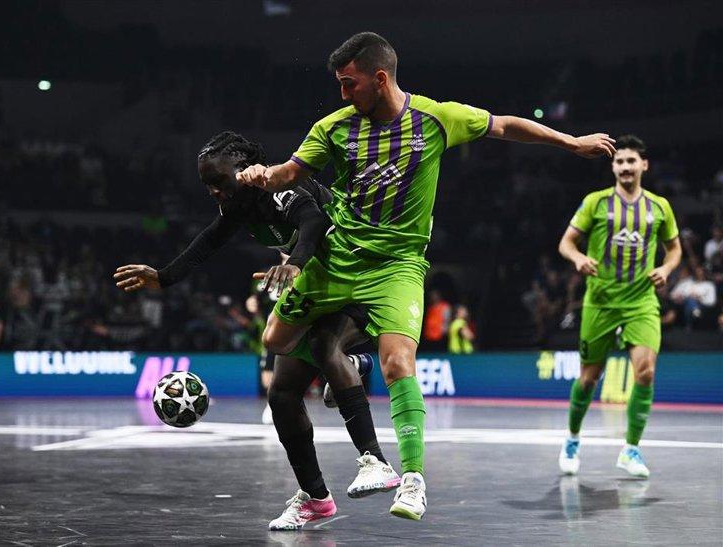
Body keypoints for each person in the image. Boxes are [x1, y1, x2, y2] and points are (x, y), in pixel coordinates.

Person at [237, 31, 615, 520]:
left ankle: (411, 480)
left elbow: (505, 126)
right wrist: (262, 174)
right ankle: (352, 363)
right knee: (276, 338)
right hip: (338, 257)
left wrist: (570, 141)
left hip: (398, 267)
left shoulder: (437, 118)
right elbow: (291, 172)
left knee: (399, 363)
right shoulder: (334, 127)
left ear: (380, 78)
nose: (343, 94)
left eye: (350, 84)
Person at [113, 131, 398, 531]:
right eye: (206, 185)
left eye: (218, 181)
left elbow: (312, 221)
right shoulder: (239, 207)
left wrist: (296, 262)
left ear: (245, 170)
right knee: (282, 394)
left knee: (322, 345)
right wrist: (163, 277)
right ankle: (316, 498)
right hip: (318, 284)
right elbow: (209, 241)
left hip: (361, 275)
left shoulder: (280, 184)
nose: (213, 191)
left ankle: (376, 462)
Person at [557, 135, 681, 478]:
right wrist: (579, 258)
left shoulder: (660, 207)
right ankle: (572, 438)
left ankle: (631, 450)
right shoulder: (595, 203)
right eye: (619, 162)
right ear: (613, 167)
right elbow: (566, 244)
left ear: (644, 165)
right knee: (587, 379)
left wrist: (667, 269)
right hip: (600, 301)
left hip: (641, 301)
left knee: (646, 372)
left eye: (631, 161)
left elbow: (674, 249)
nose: (625, 167)